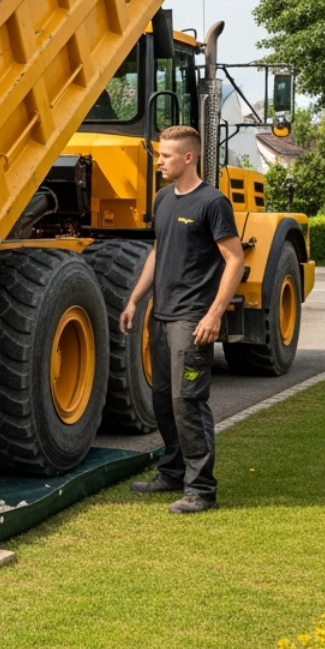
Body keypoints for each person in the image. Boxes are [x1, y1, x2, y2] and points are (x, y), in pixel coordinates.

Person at [120, 125, 244, 514]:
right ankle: (172, 473)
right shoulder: (163, 199)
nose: (159, 161)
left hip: (192, 320)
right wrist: (135, 299)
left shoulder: (212, 202)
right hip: (162, 313)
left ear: (188, 157)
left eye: (166, 156)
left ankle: (201, 490)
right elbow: (159, 252)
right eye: (159, 155)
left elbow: (235, 259)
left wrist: (214, 313)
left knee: (187, 401)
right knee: (162, 400)